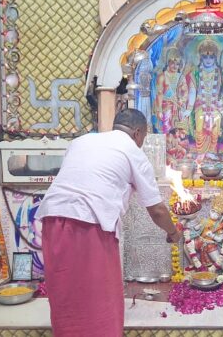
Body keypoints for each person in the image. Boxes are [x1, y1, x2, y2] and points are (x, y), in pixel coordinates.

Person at [35, 109, 182, 336]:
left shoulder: (81, 141)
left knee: (66, 293)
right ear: (137, 133)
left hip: (51, 220)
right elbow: (157, 210)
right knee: (100, 297)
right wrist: (173, 233)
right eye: (143, 138)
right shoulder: (132, 151)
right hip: (89, 224)